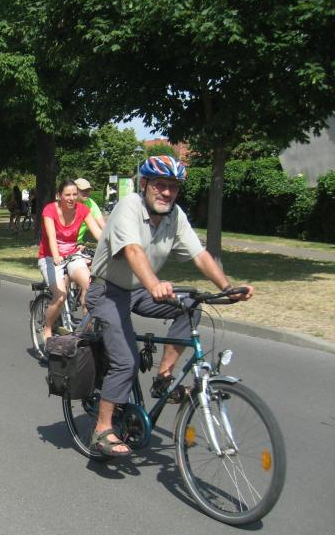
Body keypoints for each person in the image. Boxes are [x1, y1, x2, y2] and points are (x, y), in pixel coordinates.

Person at [86, 156, 253, 457]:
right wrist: (153, 284)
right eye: (160, 185)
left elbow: (199, 255)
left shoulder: (174, 215)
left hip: (139, 290)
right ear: (144, 184)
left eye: (173, 187)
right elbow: (132, 250)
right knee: (126, 360)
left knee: (190, 305)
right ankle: (102, 428)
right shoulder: (129, 207)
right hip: (107, 290)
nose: (166, 192)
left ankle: (163, 379)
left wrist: (227, 288)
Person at [38, 180, 103, 341]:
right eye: (67, 195)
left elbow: (99, 233)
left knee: (90, 287)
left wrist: (116, 249)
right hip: (49, 257)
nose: (71, 198)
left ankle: (87, 328)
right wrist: (56, 255)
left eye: (74, 194)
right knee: (60, 296)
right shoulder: (49, 210)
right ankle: (47, 327)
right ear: (58, 196)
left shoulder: (83, 210)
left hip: (73, 255)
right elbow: (51, 236)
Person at [74, 178, 106, 247]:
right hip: (61, 244)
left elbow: (102, 225)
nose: (87, 193)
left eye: (88, 190)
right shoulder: (67, 204)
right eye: (83, 190)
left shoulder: (90, 203)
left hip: (78, 244)